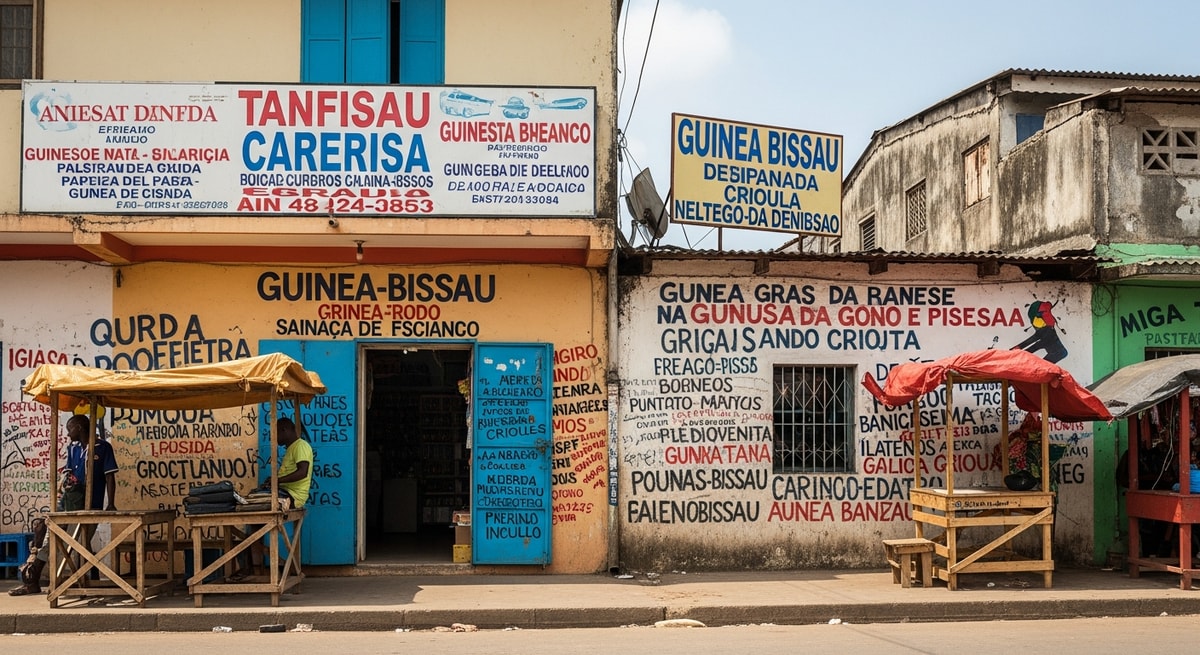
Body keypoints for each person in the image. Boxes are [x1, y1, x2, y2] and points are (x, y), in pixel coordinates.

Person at [9, 414, 118, 596]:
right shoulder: (73, 449)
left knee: (80, 543)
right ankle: (32, 580)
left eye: (70, 429)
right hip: (69, 501)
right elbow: (68, 474)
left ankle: (89, 582)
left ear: (80, 428)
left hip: (91, 505)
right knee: (44, 530)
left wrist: (111, 503)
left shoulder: (103, 448)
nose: (68, 434)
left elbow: (110, 476)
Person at [235, 417, 313, 580]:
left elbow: (302, 472)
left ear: (284, 430)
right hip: (284, 491)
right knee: (251, 514)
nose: (274, 438)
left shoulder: (301, 446)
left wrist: (277, 481)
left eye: (275, 433)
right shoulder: (291, 448)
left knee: (249, 506)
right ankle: (253, 567)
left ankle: (251, 567)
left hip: (291, 496)